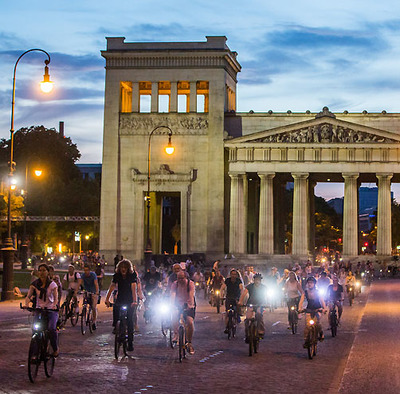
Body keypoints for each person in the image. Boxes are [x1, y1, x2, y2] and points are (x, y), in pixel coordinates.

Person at [25, 263, 59, 357]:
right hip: (39, 310)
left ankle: (55, 348)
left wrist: (54, 305)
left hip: (51, 310)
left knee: (51, 329)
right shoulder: (35, 284)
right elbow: (28, 296)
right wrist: (26, 304)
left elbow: (56, 298)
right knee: (35, 330)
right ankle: (35, 354)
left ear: (48, 272)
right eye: (40, 270)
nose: (42, 273)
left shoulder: (52, 285)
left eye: (44, 270)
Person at [105, 259, 137, 351]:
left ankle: (130, 342)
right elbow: (112, 286)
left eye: (125, 268)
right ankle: (116, 326)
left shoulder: (132, 275)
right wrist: (107, 299)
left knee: (130, 320)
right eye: (121, 268)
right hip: (120, 298)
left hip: (130, 298)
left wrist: (134, 301)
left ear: (128, 269)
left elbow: (133, 287)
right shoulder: (117, 275)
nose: (123, 269)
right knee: (115, 308)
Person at [170, 270, 196, 355]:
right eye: (178, 278)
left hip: (188, 303)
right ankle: (176, 334)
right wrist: (172, 304)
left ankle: (189, 342)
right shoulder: (175, 284)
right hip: (178, 304)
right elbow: (172, 294)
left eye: (182, 278)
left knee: (190, 322)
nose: (180, 280)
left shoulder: (190, 284)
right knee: (174, 315)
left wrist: (190, 305)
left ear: (186, 277)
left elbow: (191, 294)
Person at [238, 273, 267, 342]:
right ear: (254, 280)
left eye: (259, 280)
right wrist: (240, 301)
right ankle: (247, 334)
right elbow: (244, 293)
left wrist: (268, 303)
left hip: (260, 304)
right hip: (251, 303)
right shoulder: (250, 286)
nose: (257, 281)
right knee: (248, 318)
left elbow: (267, 296)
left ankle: (261, 331)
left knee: (259, 315)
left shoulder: (264, 287)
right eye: (256, 279)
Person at [298, 276, 327, 347]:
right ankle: (306, 340)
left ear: (314, 284)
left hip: (317, 309)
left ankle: (321, 333)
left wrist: (324, 308)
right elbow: (301, 301)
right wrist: (299, 309)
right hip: (309, 309)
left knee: (317, 323)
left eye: (311, 283)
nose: (310, 284)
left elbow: (322, 300)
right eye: (308, 283)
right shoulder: (305, 292)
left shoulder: (317, 292)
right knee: (307, 326)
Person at [221, 268, 243, 333]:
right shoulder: (227, 280)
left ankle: (237, 316)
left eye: (235, 274)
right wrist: (221, 295)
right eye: (232, 274)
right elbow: (222, 288)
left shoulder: (238, 281)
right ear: (230, 275)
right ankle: (227, 327)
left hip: (236, 298)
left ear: (236, 275)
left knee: (237, 309)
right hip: (229, 297)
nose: (233, 276)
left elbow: (241, 288)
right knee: (227, 313)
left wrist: (241, 297)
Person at [79, 264, 99, 330]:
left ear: (89, 270)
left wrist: (97, 292)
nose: (86, 272)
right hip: (87, 291)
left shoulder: (93, 275)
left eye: (87, 270)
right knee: (85, 301)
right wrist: (77, 291)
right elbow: (79, 283)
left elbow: (96, 284)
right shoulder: (83, 275)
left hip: (93, 292)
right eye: (84, 270)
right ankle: (84, 312)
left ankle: (94, 322)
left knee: (93, 307)